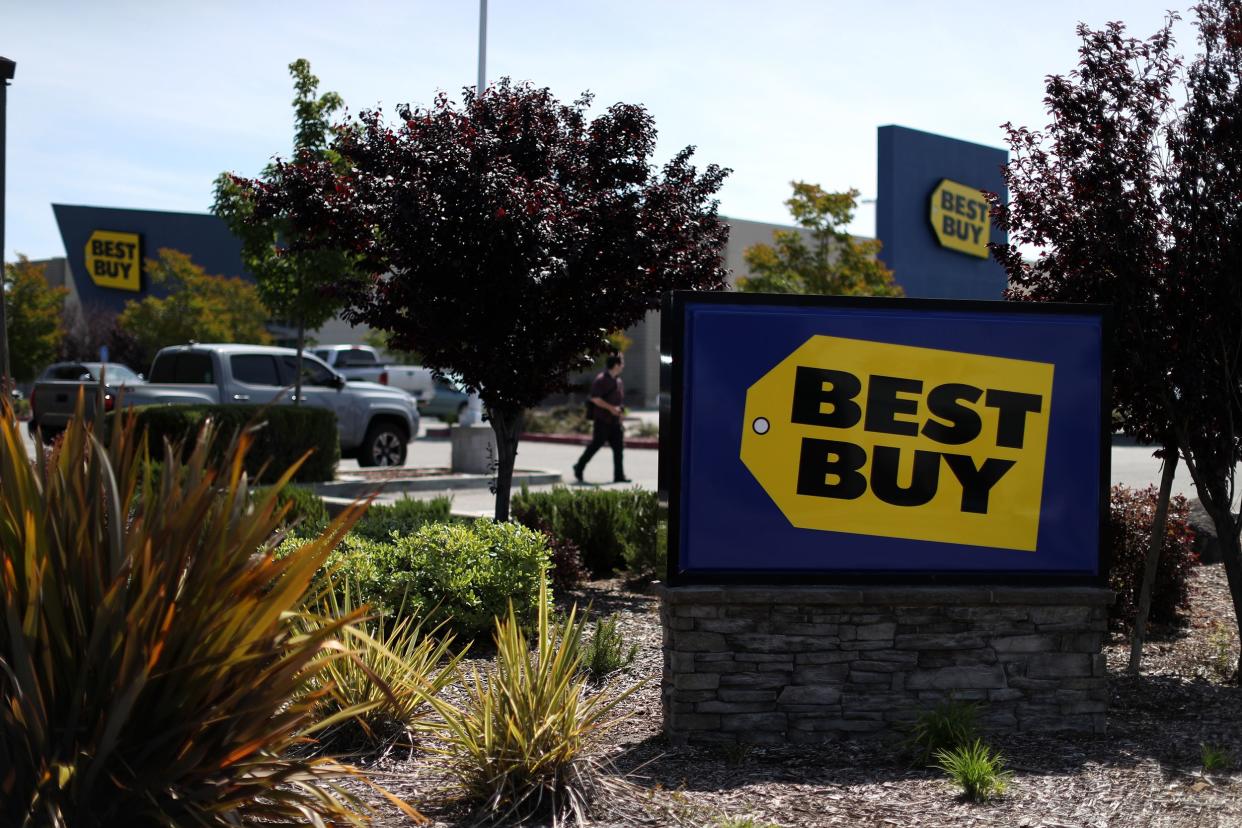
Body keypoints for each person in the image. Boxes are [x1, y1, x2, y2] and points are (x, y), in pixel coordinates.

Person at [573, 354, 631, 484]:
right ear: (616, 365)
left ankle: (619, 476)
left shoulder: (618, 381)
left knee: (618, 449)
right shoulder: (601, 380)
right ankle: (579, 467)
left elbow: (619, 402)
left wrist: (620, 414)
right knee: (595, 446)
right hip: (602, 421)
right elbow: (595, 398)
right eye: (622, 363)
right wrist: (611, 409)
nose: (623, 366)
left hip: (615, 422)